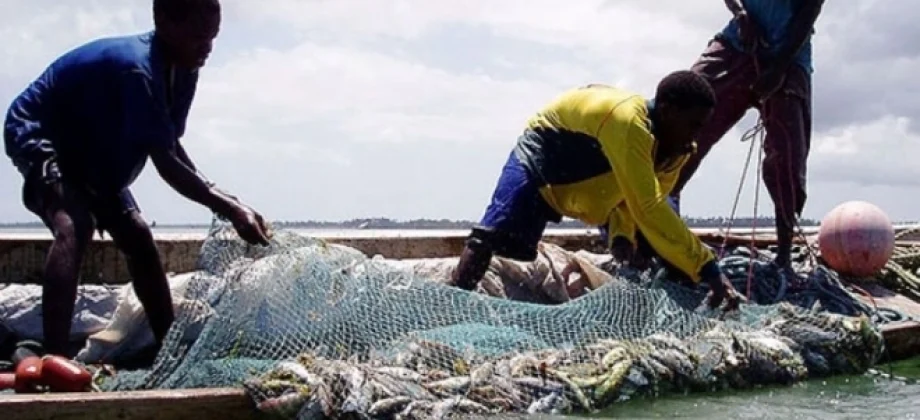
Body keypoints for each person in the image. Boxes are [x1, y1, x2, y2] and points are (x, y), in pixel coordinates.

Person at [2, 0, 271, 358]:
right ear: (164, 22)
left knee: (139, 236)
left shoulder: (185, 68)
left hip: (94, 141)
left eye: (212, 37)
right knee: (75, 224)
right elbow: (166, 165)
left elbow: (169, 144)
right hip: (43, 130)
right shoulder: (138, 70)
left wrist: (229, 201)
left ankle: (167, 348)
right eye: (197, 37)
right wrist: (231, 209)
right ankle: (56, 358)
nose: (206, 47)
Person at [451, 70, 743, 309]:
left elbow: (636, 200)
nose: (696, 135)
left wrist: (621, 235)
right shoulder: (629, 123)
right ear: (667, 111)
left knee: (651, 248)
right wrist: (708, 267)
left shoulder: (677, 151)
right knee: (490, 237)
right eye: (693, 125)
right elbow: (649, 207)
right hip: (545, 152)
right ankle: (453, 302)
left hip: (594, 176)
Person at [669, 0, 825, 271]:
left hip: (789, 53)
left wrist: (778, 68)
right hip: (738, 42)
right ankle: (664, 222)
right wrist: (740, 14)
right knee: (686, 106)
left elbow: (809, 10)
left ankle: (784, 255)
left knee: (788, 156)